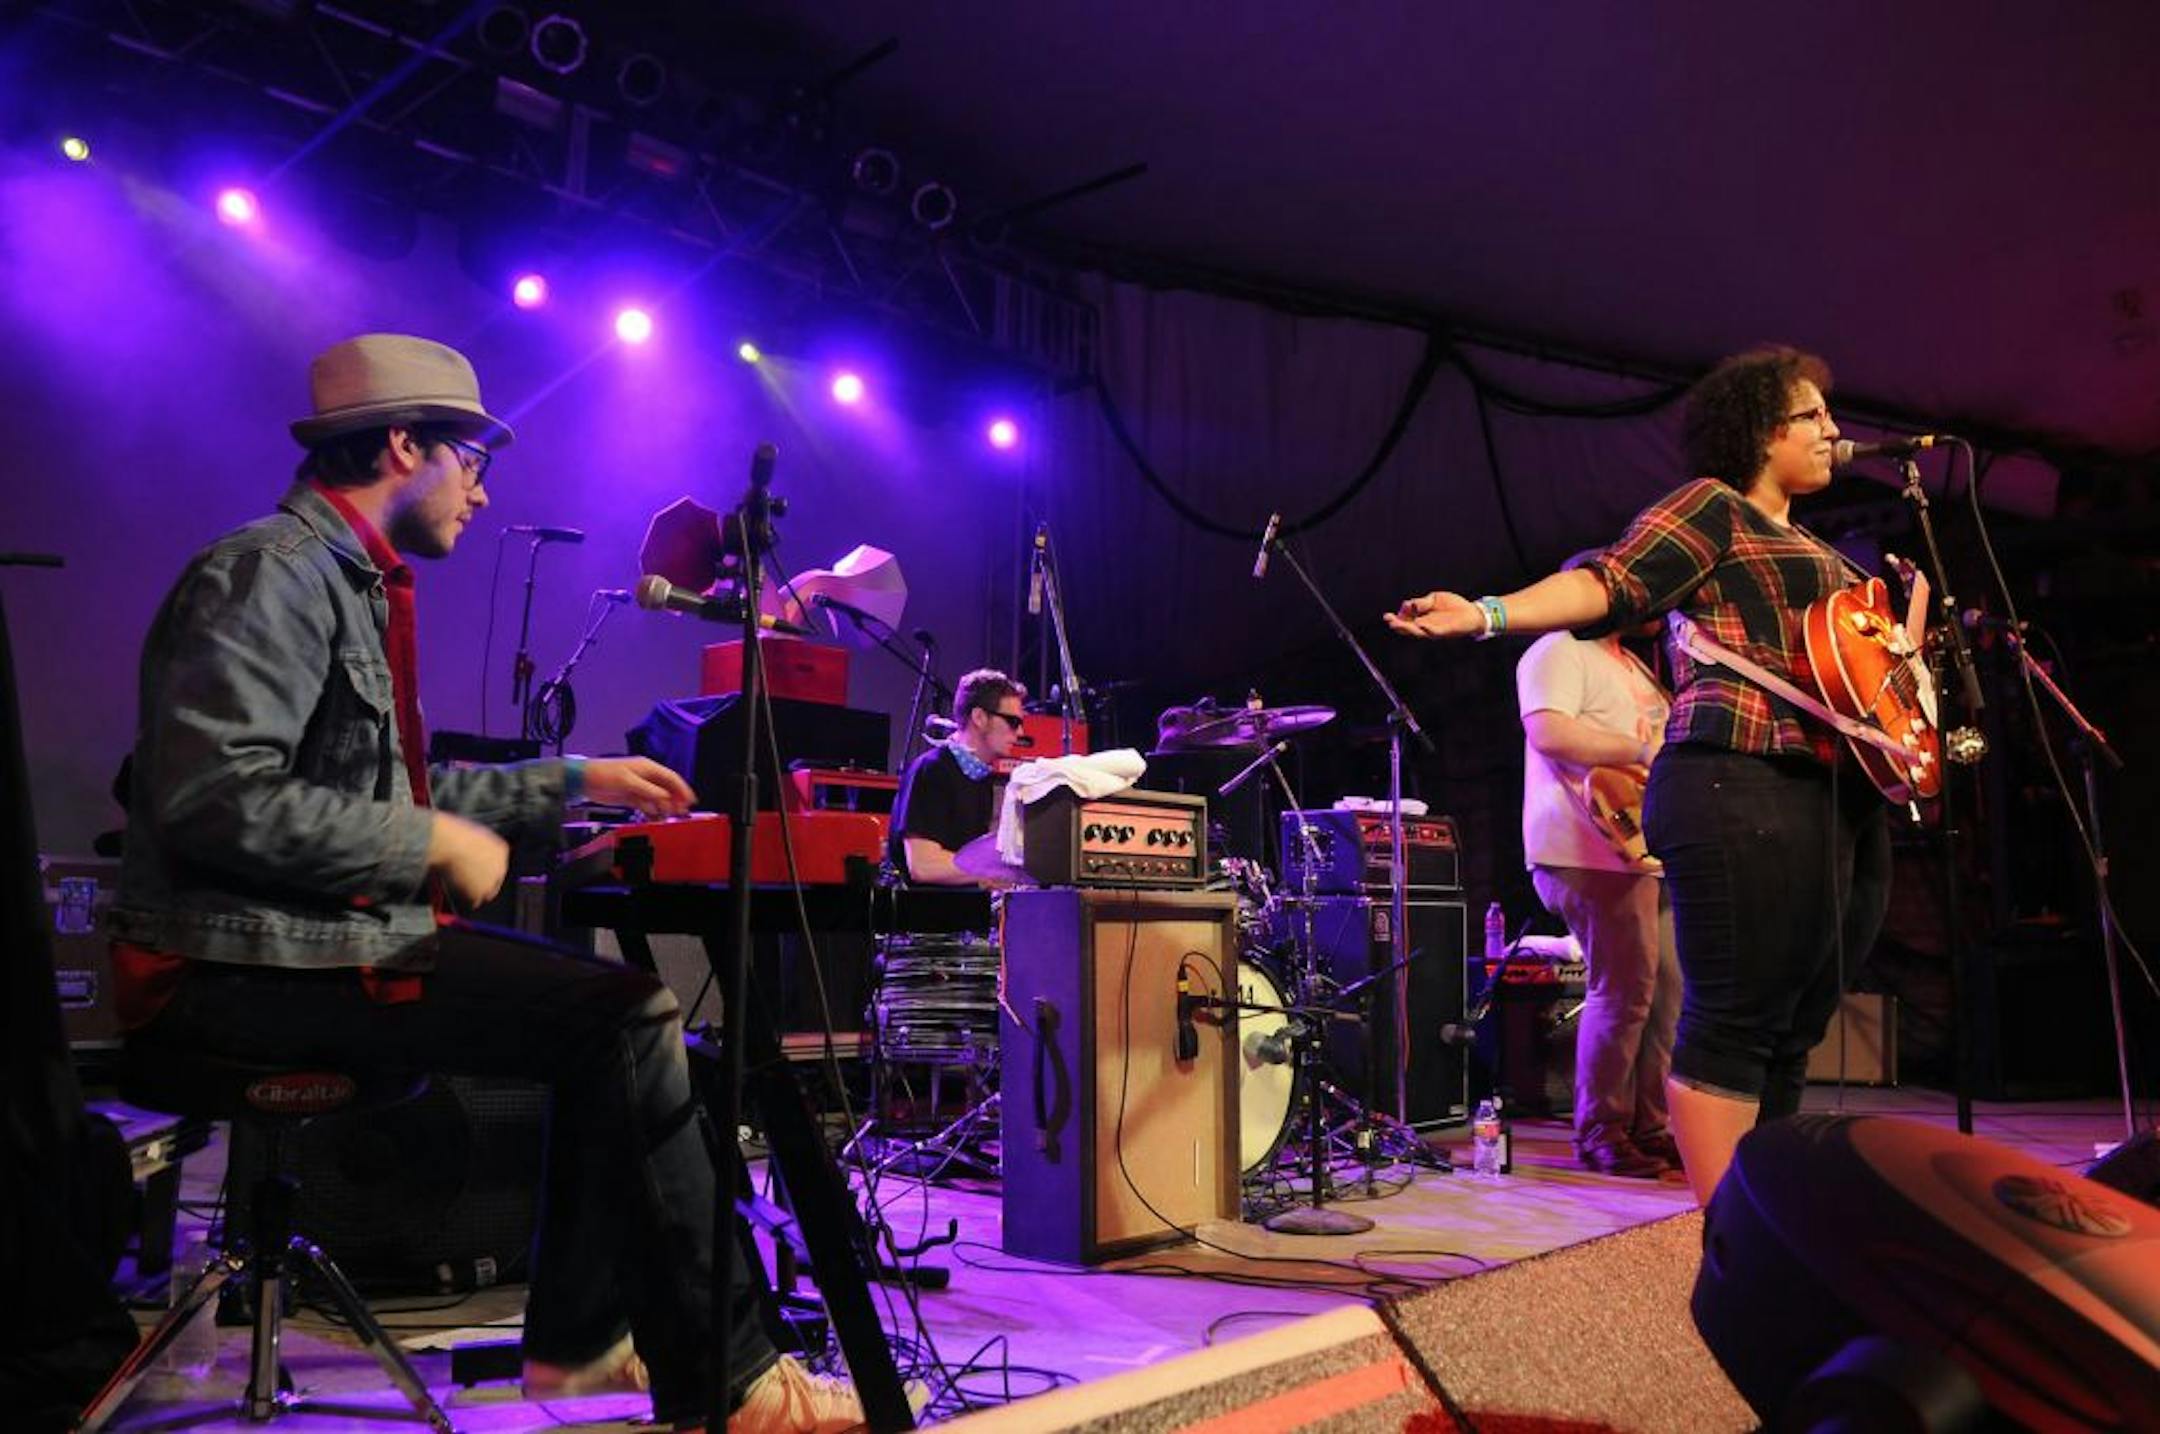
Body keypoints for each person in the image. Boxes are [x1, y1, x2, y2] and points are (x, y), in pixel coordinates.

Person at [109, 334, 865, 1432]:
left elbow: (392, 784)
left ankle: (588, 1347)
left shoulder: (348, 583)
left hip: (303, 948)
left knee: (627, 1024)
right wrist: (423, 843)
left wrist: (575, 779)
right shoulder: (270, 575)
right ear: (403, 445)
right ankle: (721, 1382)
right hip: (226, 971)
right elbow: (212, 799)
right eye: (471, 460)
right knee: (624, 1019)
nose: (481, 488)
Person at [1388, 345, 1892, 1205]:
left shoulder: (1814, 548)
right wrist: (1486, 613)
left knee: (1795, 1016)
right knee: (1721, 1009)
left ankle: (1771, 1202)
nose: (1832, 430)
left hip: (1831, 788)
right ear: (1761, 431)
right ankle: (1728, 1219)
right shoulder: (1713, 509)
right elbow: (1608, 582)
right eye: (1811, 415)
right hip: (1741, 780)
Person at [1515, 614, 1681, 1179]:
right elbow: (1550, 732)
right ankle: (1601, 1130)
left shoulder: (1634, 666)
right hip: (1585, 848)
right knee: (1624, 988)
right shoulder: (1558, 649)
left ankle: (1651, 1125)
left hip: (1643, 850)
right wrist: (1641, 748)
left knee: (1669, 994)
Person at [887, 668, 1028, 886]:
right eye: (1013, 722)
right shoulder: (932, 770)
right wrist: (998, 872)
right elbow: (924, 865)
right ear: (979, 717)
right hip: (924, 907)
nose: (1020, 733)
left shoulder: (981, 777)